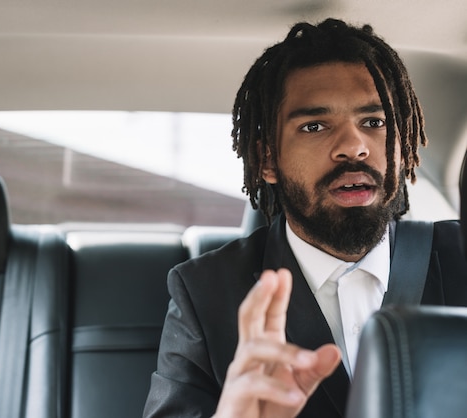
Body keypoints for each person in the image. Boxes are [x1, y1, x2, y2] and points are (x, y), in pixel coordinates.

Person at [143, 18, 467, 418]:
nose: (353, 146)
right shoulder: (205, 294)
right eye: (315, 126)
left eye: (374, 122)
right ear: (266, 159)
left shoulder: (460, 257)